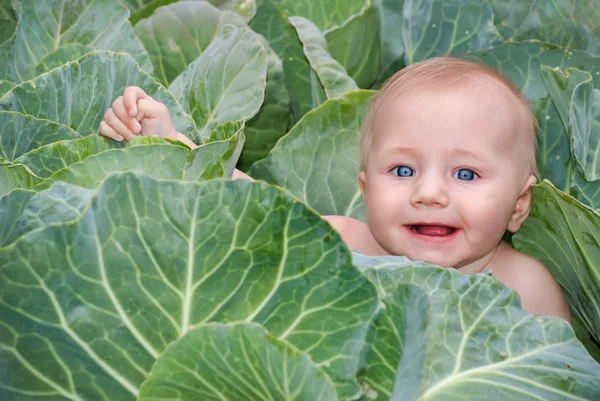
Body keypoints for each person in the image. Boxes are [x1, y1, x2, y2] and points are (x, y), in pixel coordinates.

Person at [99, 57, 572, 323]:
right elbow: (250, 203)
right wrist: (165, 140)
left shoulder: (528, 289)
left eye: (465, 175)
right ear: (364, 190)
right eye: (403, 170)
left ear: (519, 206)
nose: (429, 193)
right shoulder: (345, 244)